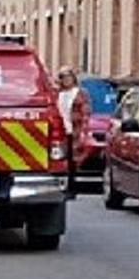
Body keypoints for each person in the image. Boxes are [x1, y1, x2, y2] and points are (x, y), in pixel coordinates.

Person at [55, 66, 88, 199]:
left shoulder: (80, 93)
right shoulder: (58, 94)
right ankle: (62, 187)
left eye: (68, 77)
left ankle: (72, 188)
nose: (66, 80)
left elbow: (85, 112)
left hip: (73, 131)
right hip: (60, 131)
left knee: (72, 161)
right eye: (63, 77)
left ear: (73, 78)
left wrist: (83, 131)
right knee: (61, 160)